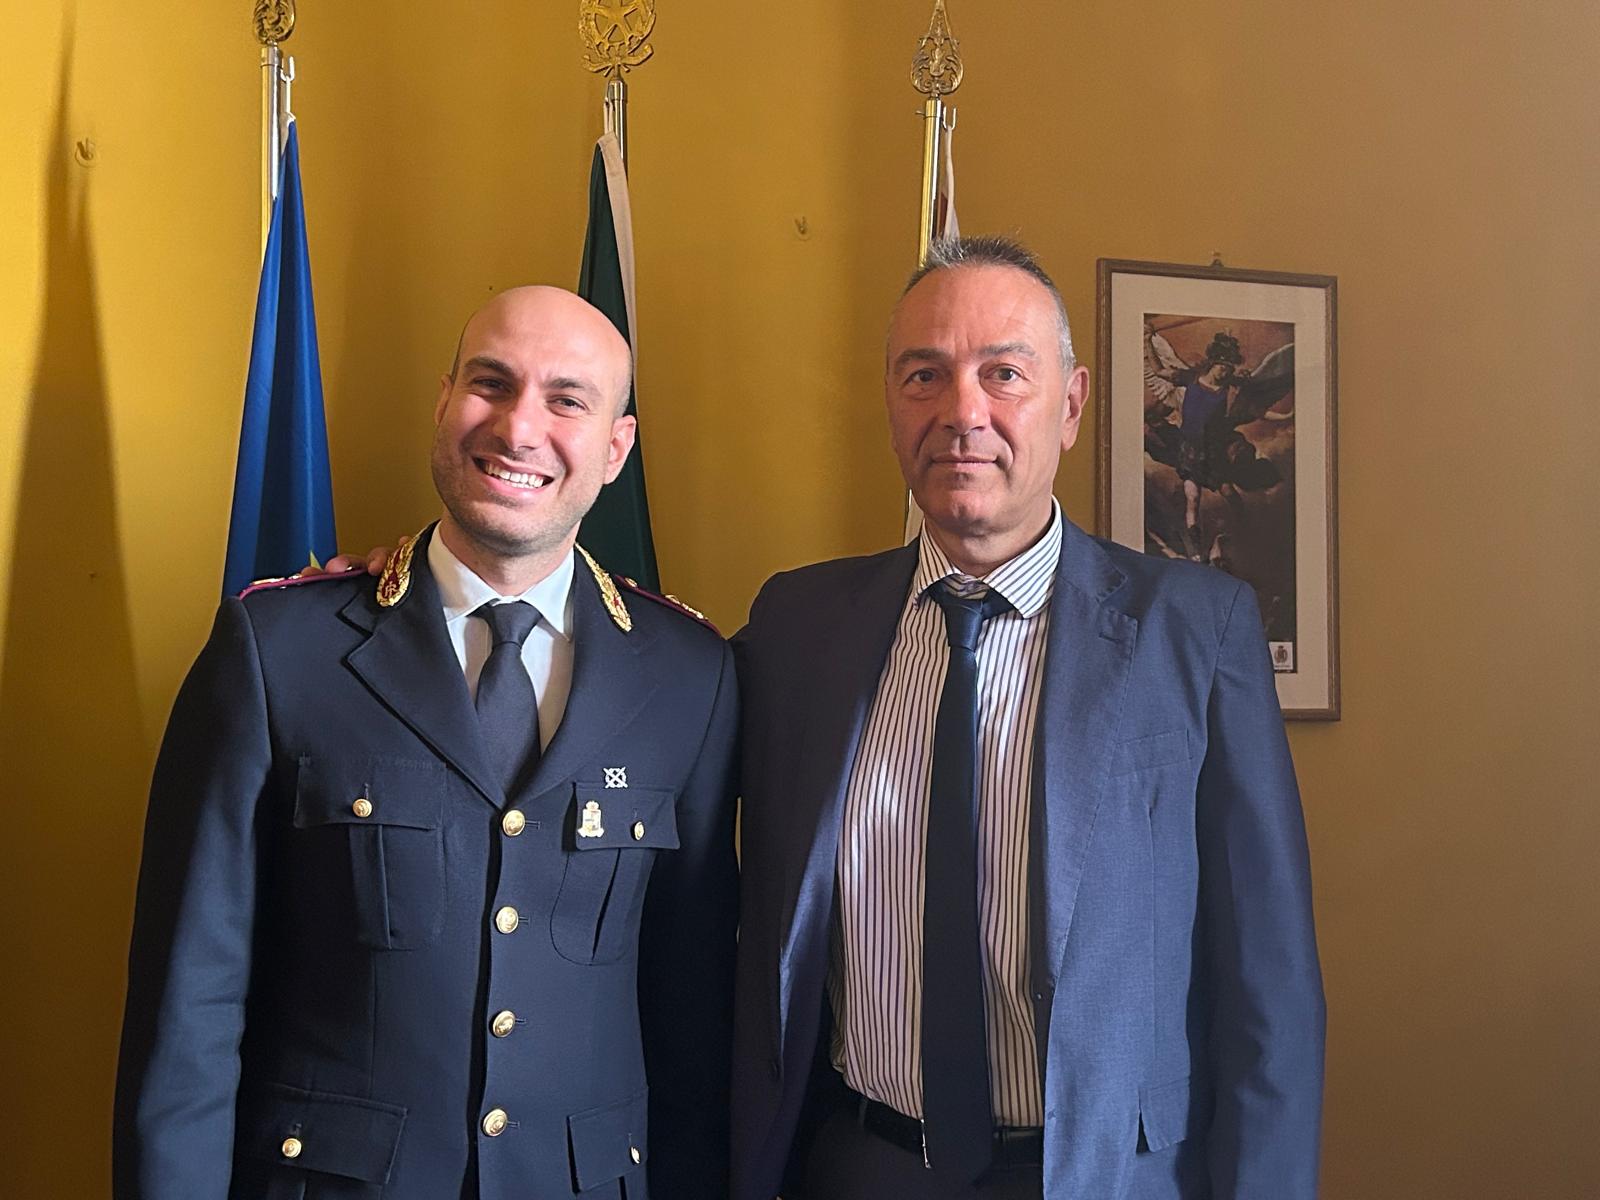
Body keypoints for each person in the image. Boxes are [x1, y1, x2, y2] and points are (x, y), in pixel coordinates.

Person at [729, 237, 1324, 1199]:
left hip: (1109, 1176)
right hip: (862, 1165)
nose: (962, 412)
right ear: (892, 403)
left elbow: (1271, 986)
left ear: (1072, 404)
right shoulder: (798, 628)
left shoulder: (1194, 630)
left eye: (1004, 374)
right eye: (924, 374)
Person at [114, 286, 739, 1199]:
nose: (518, 428)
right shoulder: (279, 651)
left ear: (616, 448)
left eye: (567, 400)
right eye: (491, 384)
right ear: (445, 402)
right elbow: (189, 1008)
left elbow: (694, 1013)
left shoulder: (691, 676)